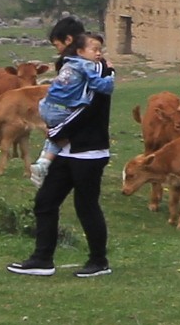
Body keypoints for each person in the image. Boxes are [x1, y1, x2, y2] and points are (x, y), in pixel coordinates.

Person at [10, 14, 116, 279]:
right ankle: (42, 259)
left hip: (88, 150)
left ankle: (99, 261)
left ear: (69, 40)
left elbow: (89, 109)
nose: (56, 49)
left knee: (86, 205)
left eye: (57, 44)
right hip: (66, 150)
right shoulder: (72, 67)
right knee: (45, 201)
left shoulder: (97, 69)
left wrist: (58, 132)